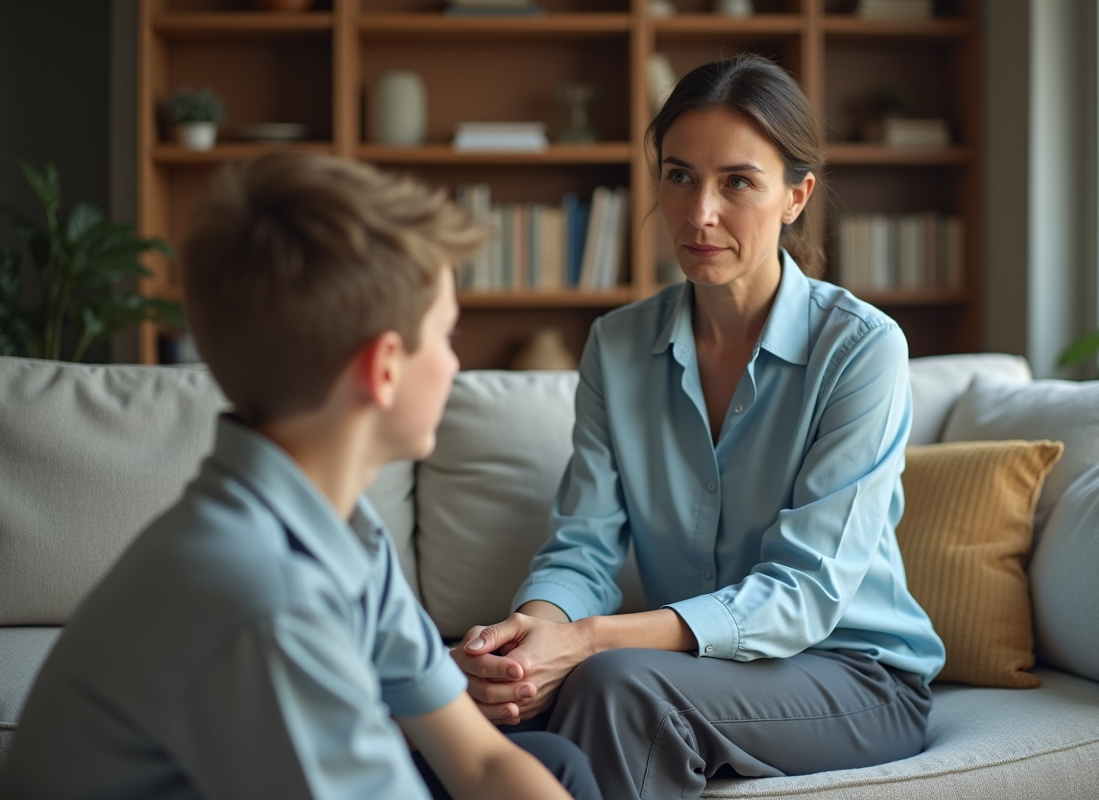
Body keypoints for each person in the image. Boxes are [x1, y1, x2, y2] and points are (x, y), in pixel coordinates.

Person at [0, 153, 600, 800]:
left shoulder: (346, 532)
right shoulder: (265, 598)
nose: (456, 366)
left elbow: (479, 761)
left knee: (549, 766)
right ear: (385, 368)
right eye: (446, 336)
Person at [451, 53, 947, 800]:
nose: (699, 213)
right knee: (457, 684)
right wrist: (530, 638)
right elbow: (583, 548)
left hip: (853, 674)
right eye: (679, 175)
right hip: (690, 671)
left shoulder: (860, 348)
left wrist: (585, 641)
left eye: (737, 182)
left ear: (795, 196)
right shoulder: (617, 346)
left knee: (614, 683)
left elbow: (804, 592)